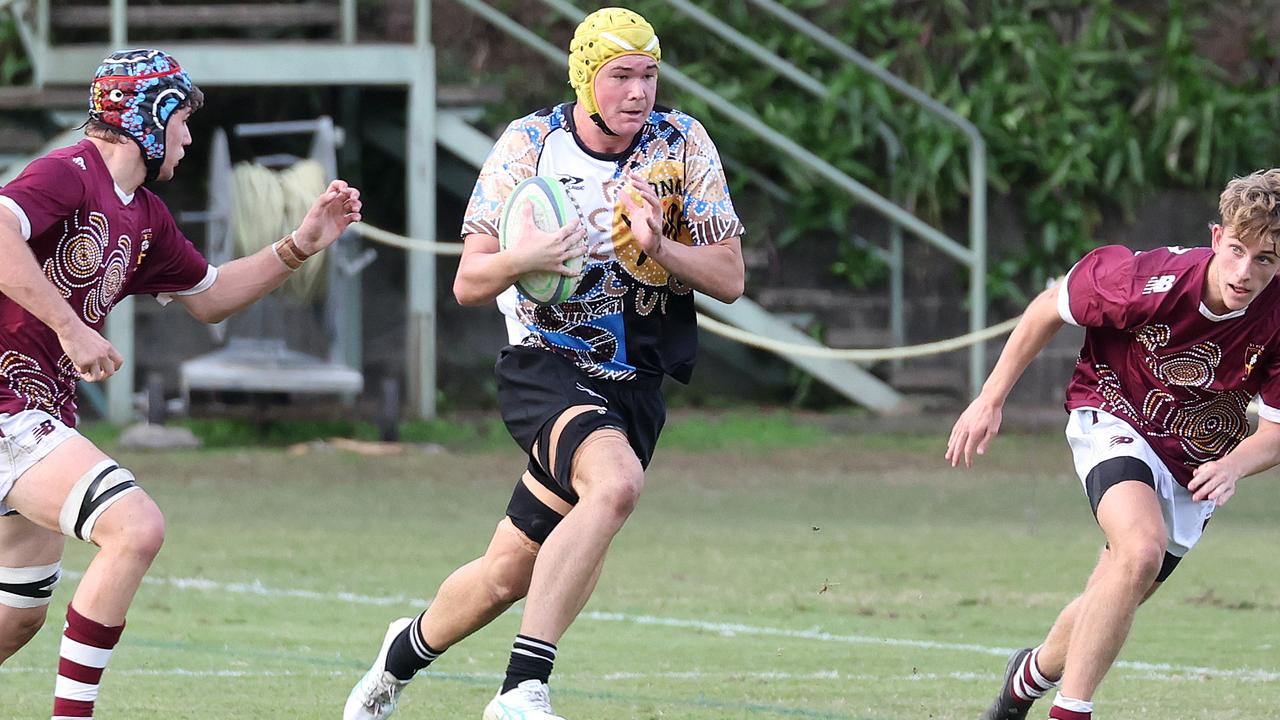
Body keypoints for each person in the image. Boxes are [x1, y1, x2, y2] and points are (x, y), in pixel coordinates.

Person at [344, 7, 745, 720]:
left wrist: (659, 249)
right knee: (615, 486)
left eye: (648, 75)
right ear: (587, 78)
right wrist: (525, 258)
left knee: (507, 573)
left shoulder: (682, 143)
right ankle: (522, 689)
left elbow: (729, 277)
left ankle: (395, 659)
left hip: (638, 386)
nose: (638, 92)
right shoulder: (530, 144)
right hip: (547, 366)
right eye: (620, 76)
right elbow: (469, 283)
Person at [0, 48, 361, 718]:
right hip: (6, 408)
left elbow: (213, 296)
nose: (190, 137)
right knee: (133, 528)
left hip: (36, 415)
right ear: (149, 114)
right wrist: (73, 329)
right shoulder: (68, 172)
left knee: (18, 617)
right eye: (183, 121)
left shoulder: (145, 217)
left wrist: (303, 243)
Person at [946, 169, 1280, 720]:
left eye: (1265, 259)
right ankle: (1071, 713)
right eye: (1237, 251)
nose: (1244, 272)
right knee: (1140, 549)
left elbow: (1274, 431)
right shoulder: (1149, 279)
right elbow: (1049, 307)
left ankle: (1025, 681)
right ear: (1217, 238)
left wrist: (1235, 466)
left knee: (1122, 586)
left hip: (1194, 461)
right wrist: (990, 398)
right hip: (1112, 410)